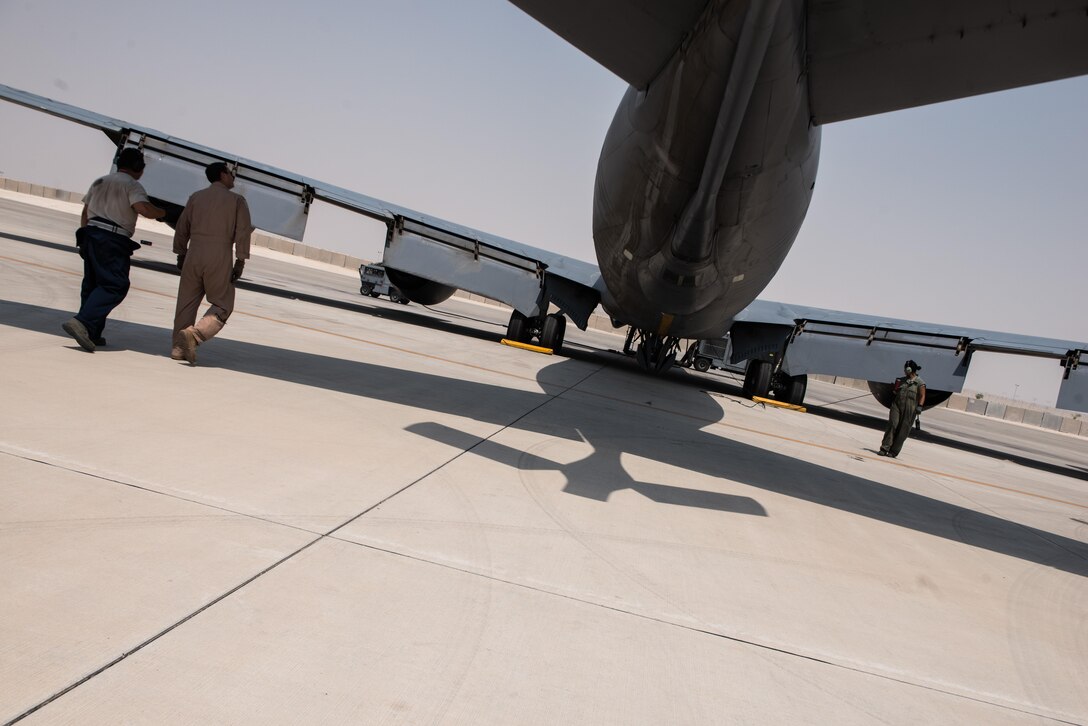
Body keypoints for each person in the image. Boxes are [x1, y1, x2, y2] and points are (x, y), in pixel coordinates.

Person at [61, 148, 165, 352]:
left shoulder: (100, 181)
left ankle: (92, 332)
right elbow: (143, 209)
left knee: (92, 285)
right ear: (138, 167)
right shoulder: (132, 185)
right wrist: (162, 212)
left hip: (90, 233)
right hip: (112, 238)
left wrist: (84, 237)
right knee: (115, 284)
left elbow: (85, 211)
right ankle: (82, 322)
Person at [171, 161, 253, 364]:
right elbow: (243, 233)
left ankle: (178, 349)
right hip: (219, 254)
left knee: (186, 303)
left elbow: (182, 228)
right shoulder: (237, 201)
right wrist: (240, 261)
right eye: (231, 173)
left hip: (194, 252)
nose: (233, 177)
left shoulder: (196, 197)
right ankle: (196, 334)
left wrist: (181, 254)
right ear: (223, 174)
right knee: (223, 304)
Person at [879, 359, 926, 458]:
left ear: (910, 370)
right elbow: (896, 393)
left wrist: (920, 406)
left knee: (903, 430)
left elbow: (922, 395)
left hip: (910, 409)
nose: (904, 371)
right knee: (892, 424)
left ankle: (893, 451)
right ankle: (884, 448)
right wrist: (894, 388)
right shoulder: (901, 380)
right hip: (897, 405)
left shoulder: (920, 383)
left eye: (906, 369)